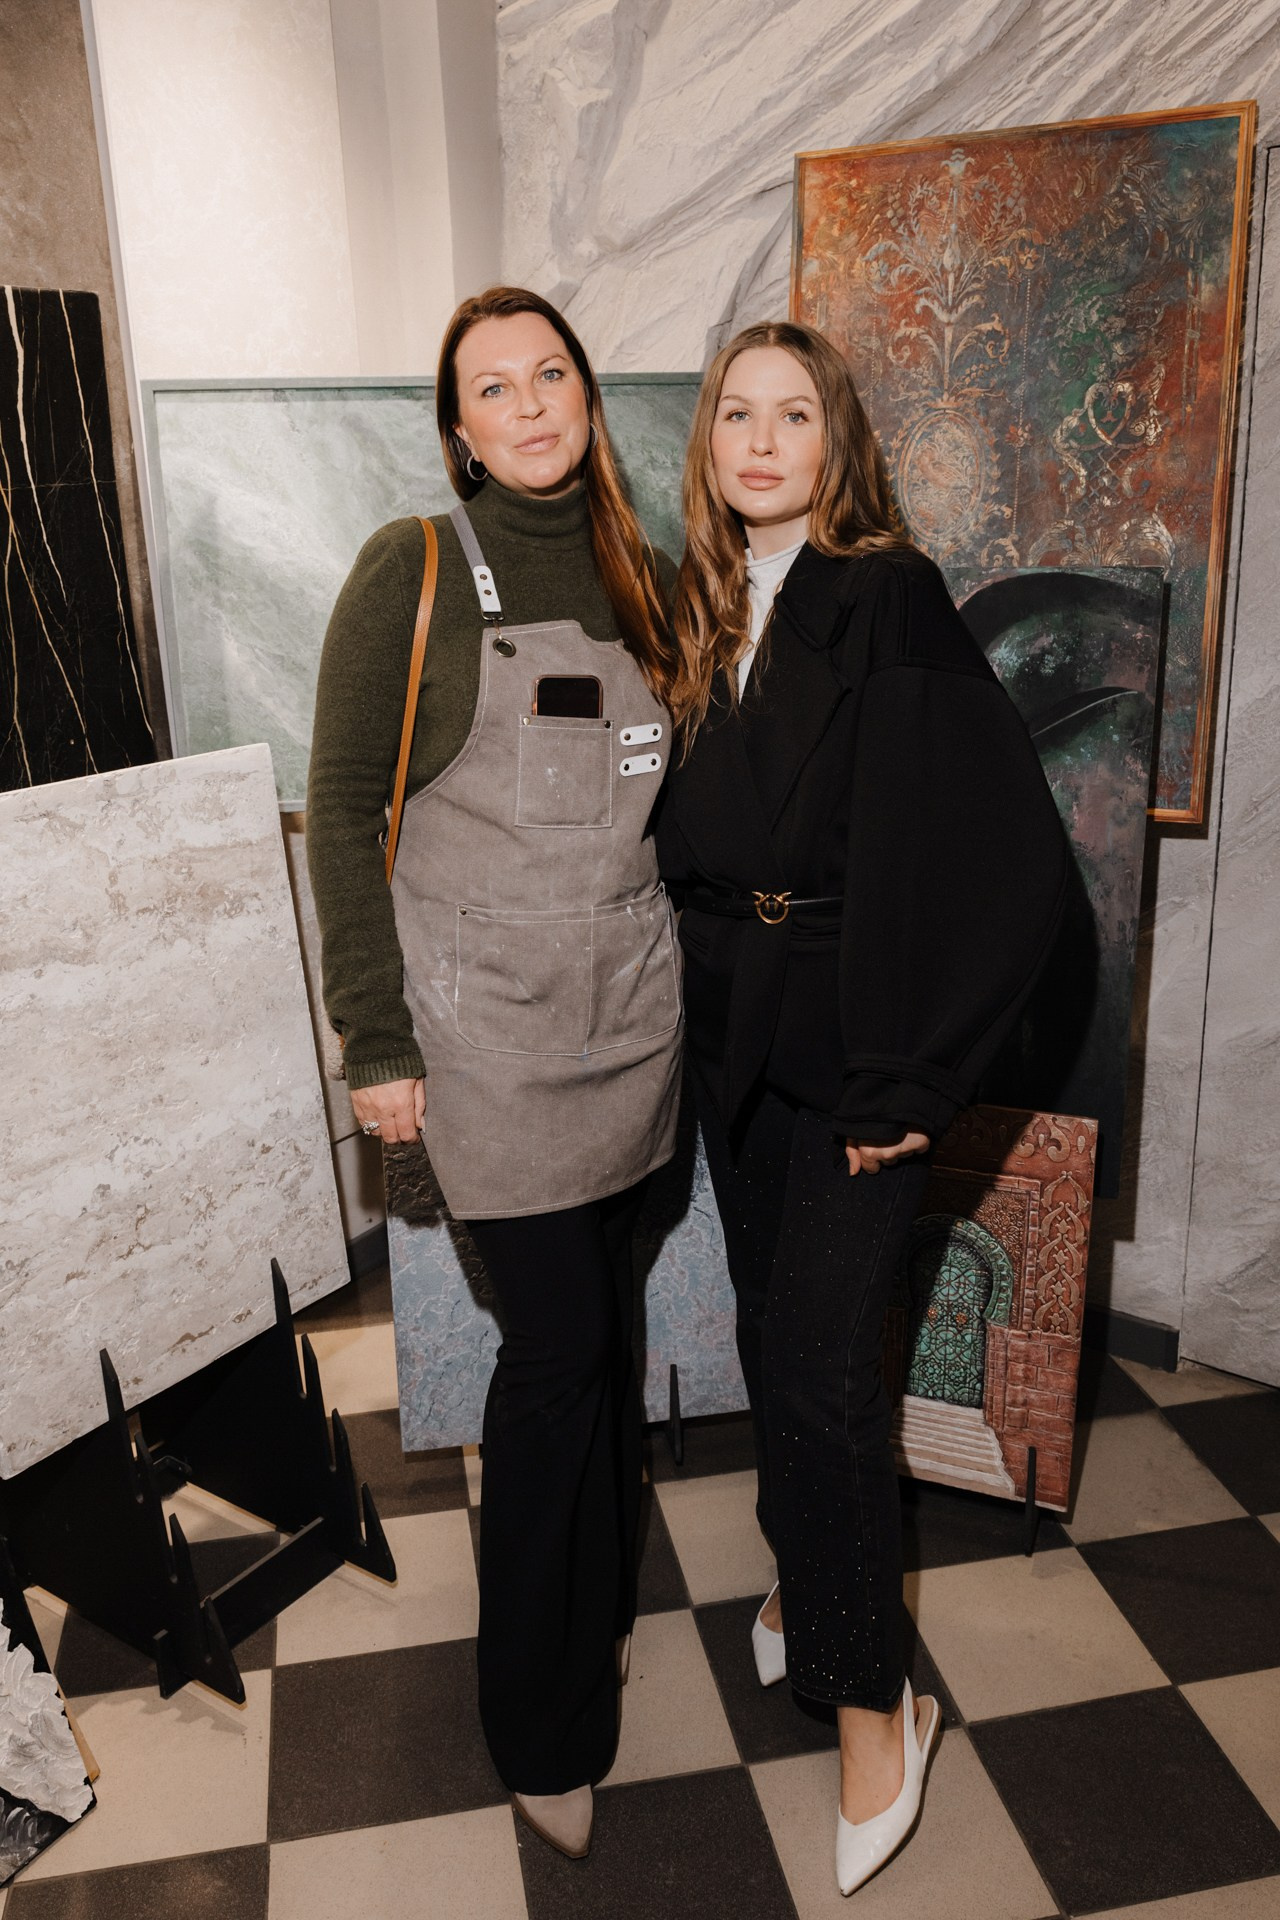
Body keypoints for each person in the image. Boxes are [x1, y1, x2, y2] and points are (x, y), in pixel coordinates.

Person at [656, 321, 1066, 1896]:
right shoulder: (694, 609)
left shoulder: (888, 593)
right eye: (737, 416)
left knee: (825, 1380)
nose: (762, 443)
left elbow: (1003, 859)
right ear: (708, 442)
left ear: (838, 442)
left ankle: (873, 1697)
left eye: (795, 416)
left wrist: (915, 1071)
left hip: (856, 1052)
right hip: (732, 1043)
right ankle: (807, 1577)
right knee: (779, 1340)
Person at [306, 287, 682, 1860]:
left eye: (551, 375)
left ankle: (595, 1621)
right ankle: (541, 1723)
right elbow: (342, 811)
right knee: (560, 1355)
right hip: (487, 1048)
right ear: (458, 429)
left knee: (603, 1350)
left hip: (635, 1032)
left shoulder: (645, 574)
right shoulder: (410, 571)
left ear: (586, 397)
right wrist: (376, 1042)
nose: (530, 407)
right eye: (494, 388)